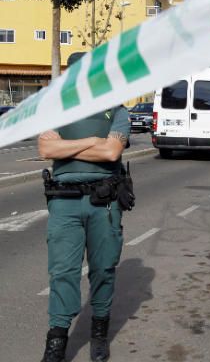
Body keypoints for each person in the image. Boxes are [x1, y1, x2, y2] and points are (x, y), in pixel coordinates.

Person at [38, 105, 133, 362]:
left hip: (105, 202)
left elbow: (112, 152)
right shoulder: (57, 110)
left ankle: (99, 332)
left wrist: (67, 146)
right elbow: (47, 149)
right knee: (62, 271)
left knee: (103, 268)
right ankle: (56, 341)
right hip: (63, 200)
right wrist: (94, 141)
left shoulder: (117, 111)